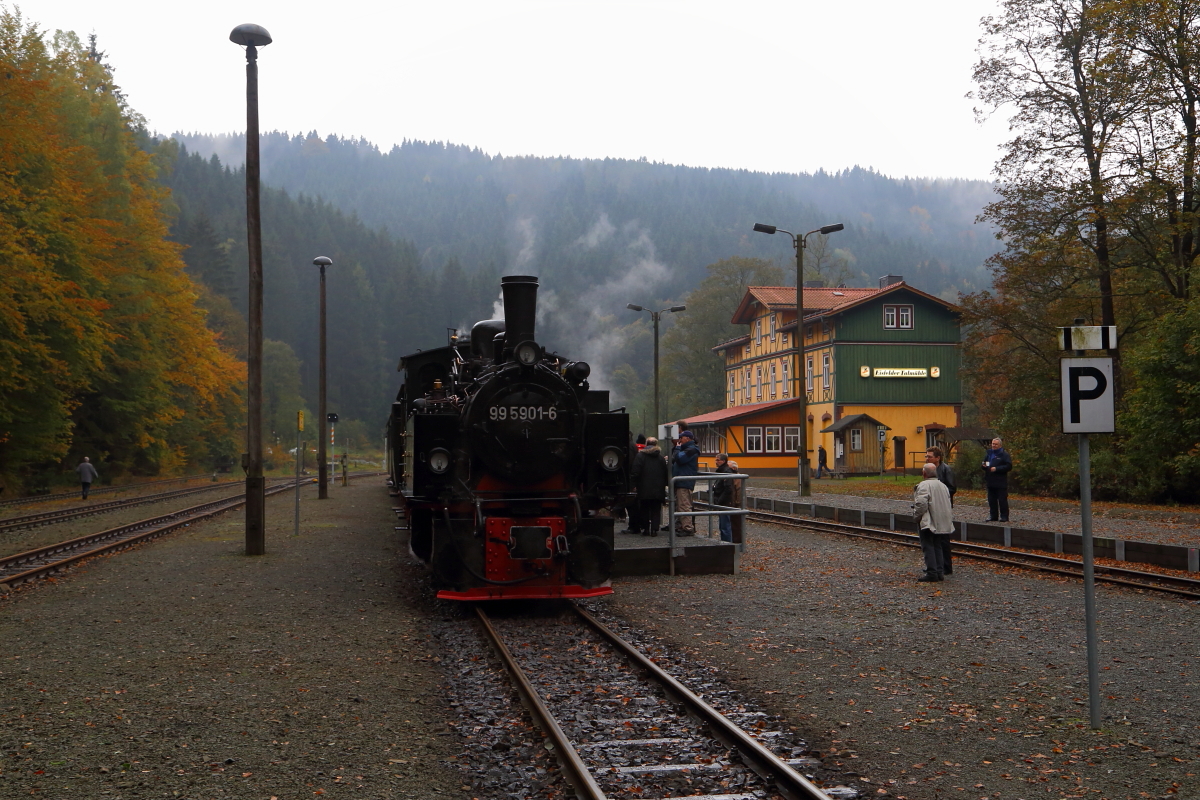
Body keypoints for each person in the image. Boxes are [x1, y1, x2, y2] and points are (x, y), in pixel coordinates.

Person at [913, 462, 954, 582]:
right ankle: (939, 572)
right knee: (938, 546)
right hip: (942, 520)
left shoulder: (924, 485)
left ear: (924, 473)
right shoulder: (943, 486)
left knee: (928, 546)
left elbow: (921, 504)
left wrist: (916, 516)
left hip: (928, 520)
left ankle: (931, 572)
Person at [925, 446, 958, 574]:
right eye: (926, 456)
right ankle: (937, 565)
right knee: (934, 537)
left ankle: (946, 566)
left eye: (929, 456)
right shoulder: (928, 470)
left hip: (943, 507)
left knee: (943, 537)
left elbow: (952, 488)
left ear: (937, 458)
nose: (927, 458)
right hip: (932, 507)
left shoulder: (946, 470)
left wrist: (938, 494)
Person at [629, 437, 668, 536]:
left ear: (646, 444)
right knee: (656, 508)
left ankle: (646, 528)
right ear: (656, 444)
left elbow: (635, 471)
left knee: (644, 508)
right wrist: (666, 484)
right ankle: (654, 529)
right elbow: (666, 472)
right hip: (658, 488)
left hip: (643, 488)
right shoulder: (661, 458)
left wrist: (633, 485)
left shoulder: (640, 456)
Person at [670, 430, 700, 535]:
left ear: (687, 438)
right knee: (680, 505)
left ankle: (688, 528)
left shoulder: (691, 450)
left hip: (684, 481)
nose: (679, 440)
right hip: (681, 481)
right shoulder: (687, 449)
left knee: (684, 505)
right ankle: (682, 526)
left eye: (681, 438)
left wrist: (677, 448)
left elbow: (679, 459)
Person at [982, 436, 1012, 522]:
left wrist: (997, 469)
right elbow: (985, 463)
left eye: (995, 444)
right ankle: (993, 516)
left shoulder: (1004, 455)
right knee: (991, 500)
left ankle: (1004, 516)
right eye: (992, 444)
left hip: (1000, 481)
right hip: (990, 481)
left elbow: (1009, 466)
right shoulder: (989, 454)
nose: (993, 445)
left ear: (1000, 445)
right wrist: (984, 466)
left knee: (1002, 500)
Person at [712, 453, 736, 542]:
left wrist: (719, 500)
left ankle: (727, 544)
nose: (716, 462)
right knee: (723, 524)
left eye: (718, 460)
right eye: (716, 460)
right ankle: (725, 542)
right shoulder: (721, 471)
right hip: (722, 500)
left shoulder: (726, 472)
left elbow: (728, 489)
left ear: (723, 461)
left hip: (724, 501)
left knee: (725, 525)